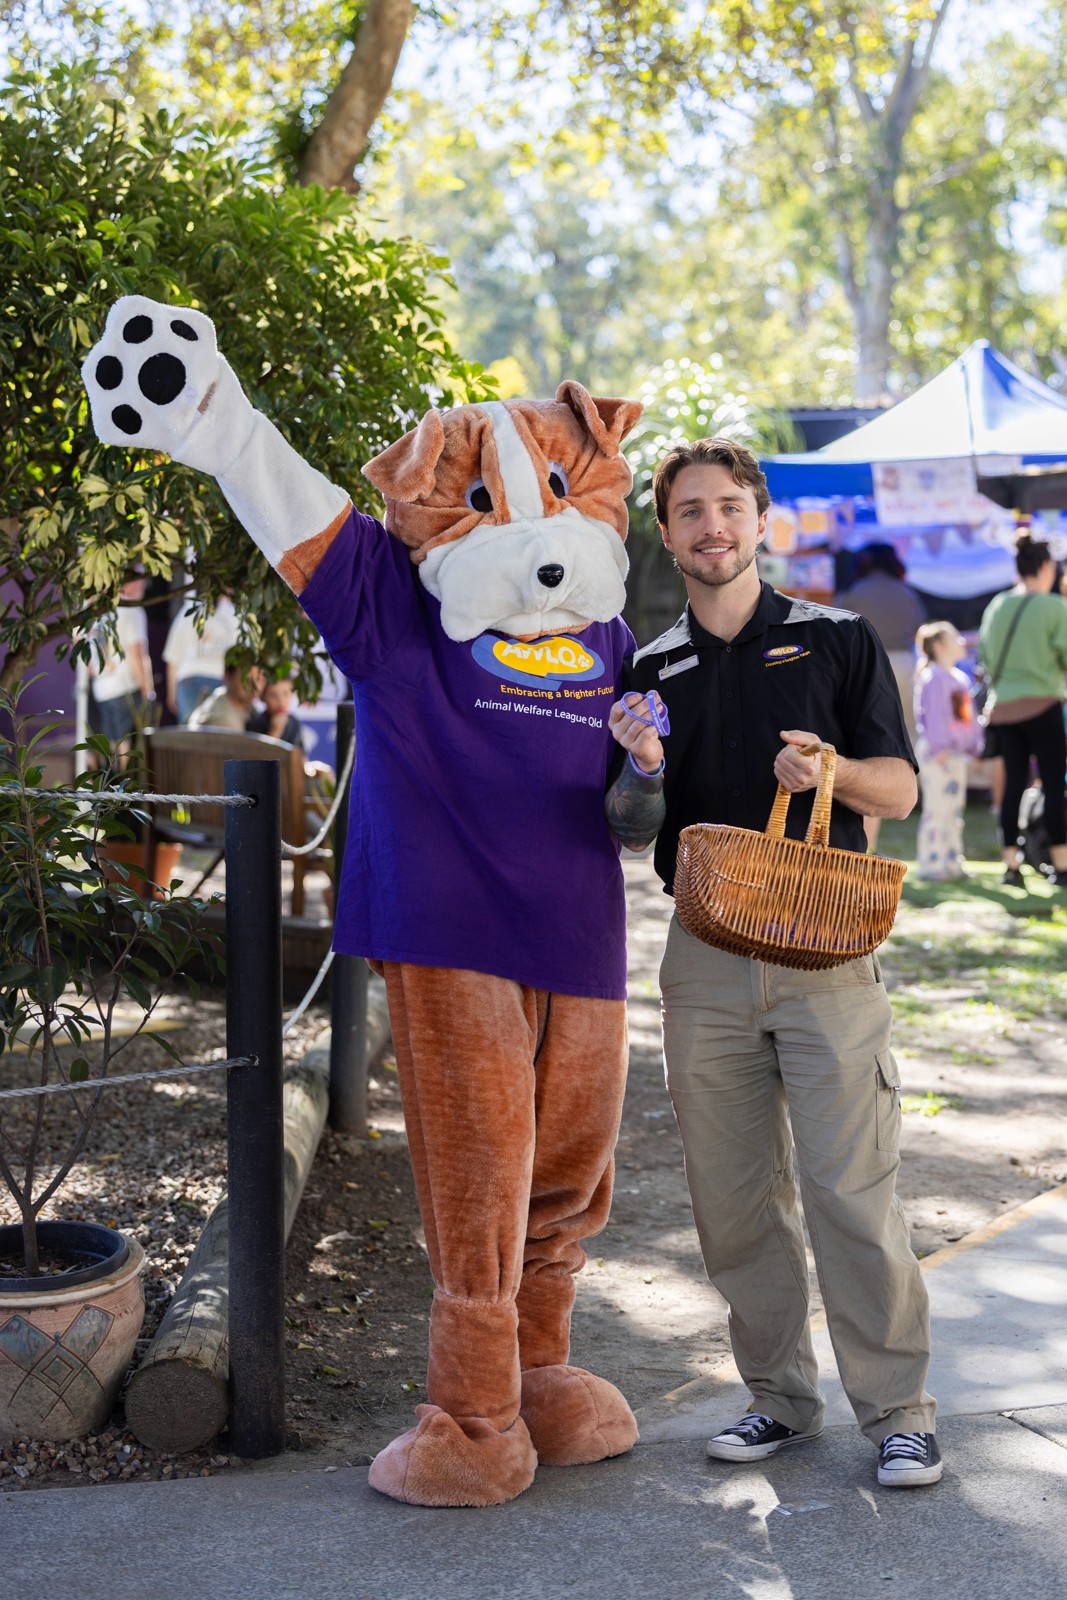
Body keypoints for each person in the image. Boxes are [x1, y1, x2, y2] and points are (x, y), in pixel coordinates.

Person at [605, 437, 941, 1489]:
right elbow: (627, 829)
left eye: (729, 508)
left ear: (758, 521)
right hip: (700, 955)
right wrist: (643, 765)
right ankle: (778, 1400)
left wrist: (832, 770)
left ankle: (896, 1408)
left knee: (850, 1187)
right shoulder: (647, 667)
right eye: (690, 512)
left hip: (822, 949)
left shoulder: (835, 639)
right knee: (732, 1197)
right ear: (665, 534)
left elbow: (901, 793)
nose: (712, 527)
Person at [978, 532, 1067, 889]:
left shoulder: (998, 605)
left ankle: (1010, 867)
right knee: (1052, 786)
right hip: (1043, 705)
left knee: (1012, 787)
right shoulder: (1054, 606)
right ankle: (1061, 866)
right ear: (1045, 566)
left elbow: (985, 655)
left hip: (1002, 710)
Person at [835, 542, 926, 850]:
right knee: (908, 735)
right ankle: (919, 793)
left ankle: (881, 802)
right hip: (905, 665)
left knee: (867, 742)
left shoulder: (854, 591)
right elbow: (919, 629)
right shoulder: (906, 592)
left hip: (865, 665)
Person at [912, 621, 984, 880]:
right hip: (939, 754)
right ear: (940, 646)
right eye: (955, 638)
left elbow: (966, 718)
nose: (961, 642)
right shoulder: (933, 678)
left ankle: (952, 862)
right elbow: (933, 719)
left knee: (954, 810)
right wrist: (942, 748)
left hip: (955, 755)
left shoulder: (957, 677)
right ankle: (932, 864)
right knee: (937, 808)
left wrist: (974, 746)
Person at [86, 575, 154, 758]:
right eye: (139, 577)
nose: (144, 583)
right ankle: (127, 784)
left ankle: (115, 784)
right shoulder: (130, 609)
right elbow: (136, 652)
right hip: (125, 687)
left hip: (102, 688)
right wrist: (148, 690)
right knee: (129, 746)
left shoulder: (96, 610)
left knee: (114, 744)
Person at [162, 594, 238, 722]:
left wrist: (172, 693)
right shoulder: (236, 614)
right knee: (221, 735)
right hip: (222, 682)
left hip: (190, 681)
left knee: (190, 737)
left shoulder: (189, 609)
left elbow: (173, 657)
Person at [187, 652, 261, 732]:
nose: (255, 687)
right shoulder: (219, 721)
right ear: (228, 676)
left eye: (259, 679)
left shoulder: (248, 709)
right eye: (246, 680)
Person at [245, 674, 304, 747]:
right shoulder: (255, 723)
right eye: (273, 695)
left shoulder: (294, 722)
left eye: (286, 694)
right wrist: (275, 732)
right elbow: (257, 756)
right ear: (263, 697)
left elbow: (300, 754)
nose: (281, 702)